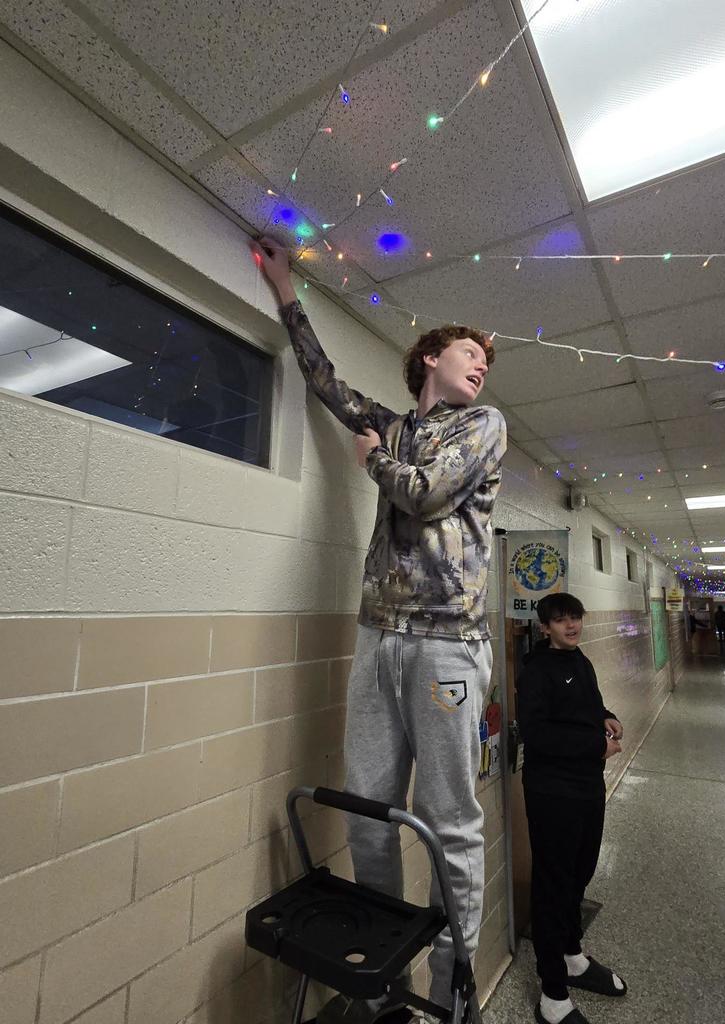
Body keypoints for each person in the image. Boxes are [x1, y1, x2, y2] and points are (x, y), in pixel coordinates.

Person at [251, 238, 507, 1019]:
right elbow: (323, 381)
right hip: (378, 637)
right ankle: (387, 989)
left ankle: (452, 988)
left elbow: (424, 495)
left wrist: (370, 463)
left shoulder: (483, 424)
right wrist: (285, 288)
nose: (482, 365)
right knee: (368, 814)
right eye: (469, 353)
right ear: (429, 358)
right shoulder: (392, 425)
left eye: (485, 360)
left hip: (447, 645)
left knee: (450, 824)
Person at [517, 593, 627, 1024]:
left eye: (575, 617)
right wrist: (595, 746)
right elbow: (537, 734)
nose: (571, 625)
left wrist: (605, 715)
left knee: (580, 872)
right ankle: (552, 993)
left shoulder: (580, 661)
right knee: (553, 884)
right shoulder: (535, 670)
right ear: (545, 627)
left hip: (586, 786)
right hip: (552, 792)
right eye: (561, 620)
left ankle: (571, 955)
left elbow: (583, 707)